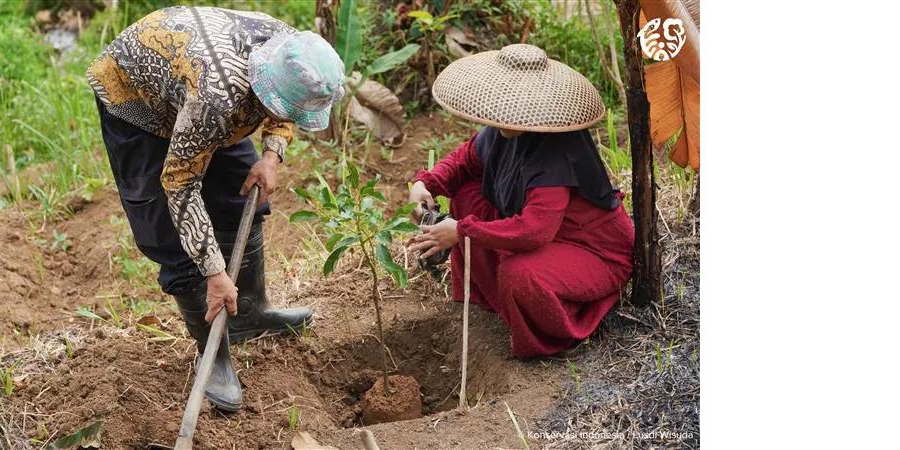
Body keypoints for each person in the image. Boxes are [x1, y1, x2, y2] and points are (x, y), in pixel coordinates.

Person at [87, 6, 344, 411]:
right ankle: (215, 354)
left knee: (240, 195)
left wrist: (272, 155)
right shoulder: (216, 97)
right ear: (263, 91)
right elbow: (179, 183)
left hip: (197, 84)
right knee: (169, 233)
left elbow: (288, 109)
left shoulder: (294, 52)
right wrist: (214, 271)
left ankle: (251, 313)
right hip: (136, 97)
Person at [407, 44, 634, 358]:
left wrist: (462, 231)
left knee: (520, 275)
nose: (505, 114)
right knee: (466, 193)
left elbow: (534, 231)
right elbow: (463, 162)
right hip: (551, 239)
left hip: (593, 251)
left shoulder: (556, 151)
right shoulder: (502, 131)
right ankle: (495, 303)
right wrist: (424, 184)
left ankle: (549, 338)